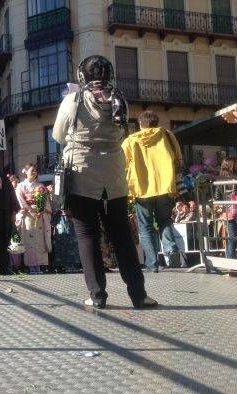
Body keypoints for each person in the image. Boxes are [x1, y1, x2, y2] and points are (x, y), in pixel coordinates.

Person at [53, 55, 156, 309]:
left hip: (82, 175)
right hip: (113, 175)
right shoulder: (119, 98)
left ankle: (97, 296)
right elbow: (122, 131)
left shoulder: (73, 99)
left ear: (82, 75)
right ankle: (139, 295)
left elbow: (57, 135)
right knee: (121, 235)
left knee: (87, 235)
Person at [122, 110, 183, 271]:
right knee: (165, 221)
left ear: (140, 124)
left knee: (145, 227)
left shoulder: (130, 141)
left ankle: (152, 263)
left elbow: (123, 164)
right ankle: (170, 249)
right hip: (164, 186)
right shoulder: (168, 135)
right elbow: (178, 158)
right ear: (156, 122)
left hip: (141, 188)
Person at [15, 163, 52, 274]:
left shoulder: (40, 186)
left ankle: (39, 265)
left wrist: (41, 211)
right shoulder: (21, 186)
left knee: (39, 241)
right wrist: (30, 210)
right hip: (28, 216)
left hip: (39, 216)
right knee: (29, 241)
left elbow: (45, 202)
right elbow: (20, 200)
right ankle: (31, 266)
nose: (34, 172)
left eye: (35, 170)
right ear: (25, 172)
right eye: (32, 170)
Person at [214, 157, 237, 260]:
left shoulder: (220, 179)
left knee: (232, 237)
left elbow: (217, 197)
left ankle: (230, 261)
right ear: (232, 165)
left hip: (227, 211)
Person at [51, 208, 81, 273]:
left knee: (73, 244)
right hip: (60, 218)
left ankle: (73, 265)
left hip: (72, 217)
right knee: (61, 243)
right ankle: (61, 266)